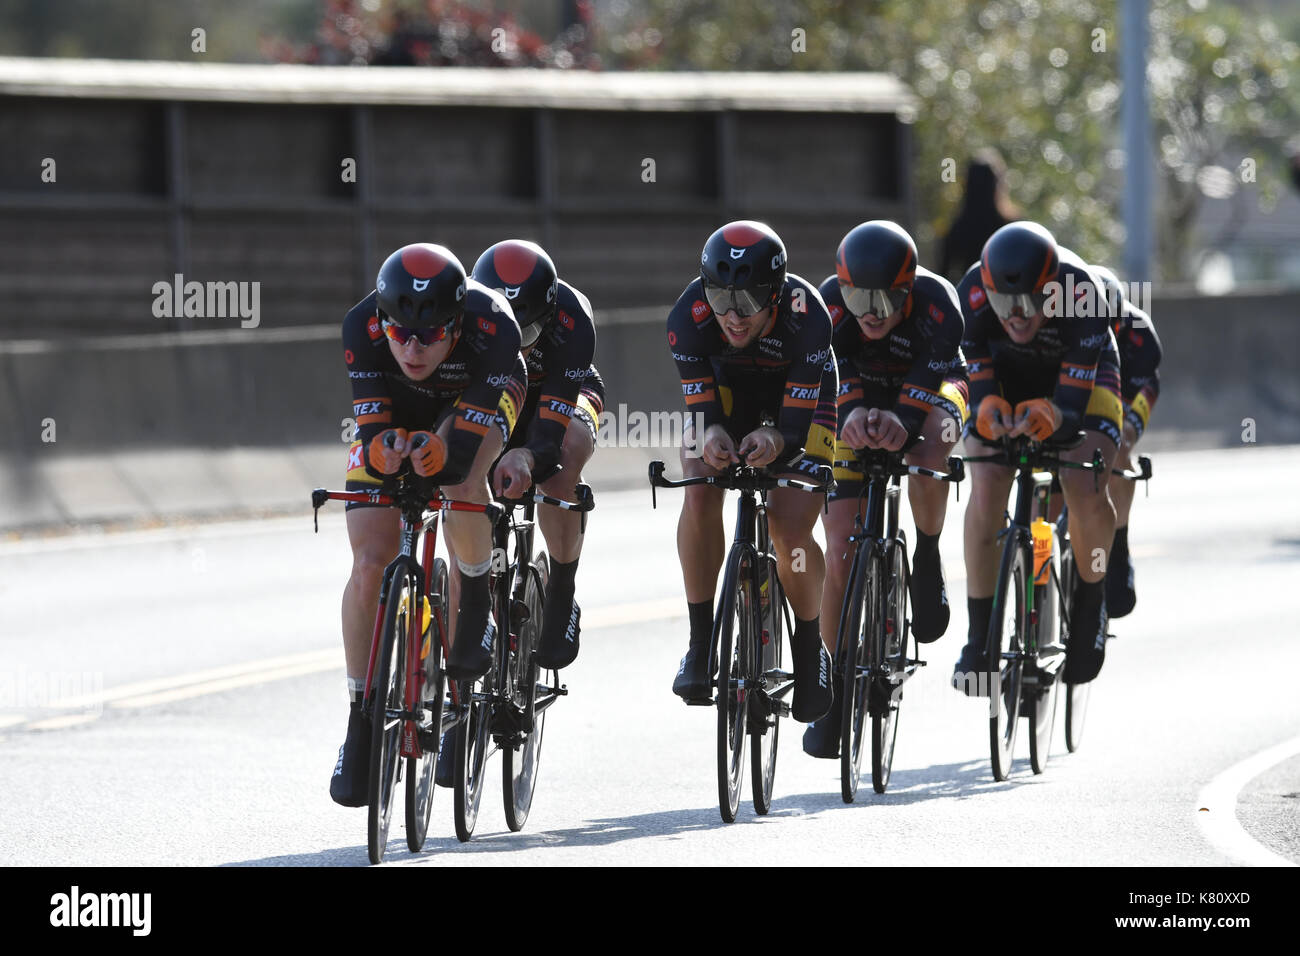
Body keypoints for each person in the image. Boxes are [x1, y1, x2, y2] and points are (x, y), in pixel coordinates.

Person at [330, 242, 525, 807]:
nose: (413, 348)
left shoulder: (494, 329)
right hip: (398, 407)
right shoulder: (361, 327)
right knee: (369, 566)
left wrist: (441, 452)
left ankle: (477, 592)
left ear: (457, 325)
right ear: (383, 321)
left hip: (475, 401)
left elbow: (460, 454)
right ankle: (360, 717)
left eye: (431, 334)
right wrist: (384, 452)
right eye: (400, 333)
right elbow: (370, 434)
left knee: (462, 484)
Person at [803, 220, 968, 758]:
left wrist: (902, 416)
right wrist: (850, 410)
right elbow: (831, 367)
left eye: (885, 298)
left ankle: (925, 551)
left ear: (909, 286)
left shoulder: (939, 303)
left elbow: (934, 370)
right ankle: (831, 687)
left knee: (928, 447)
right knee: (841, 548)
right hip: (858, 395)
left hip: (932, 390)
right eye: (857, 296)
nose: (869, 311)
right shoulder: (827, 305)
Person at [666, 220, 837, 724]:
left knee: (789, 526)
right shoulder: (688, 316)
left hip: (801, 404)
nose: (733, 316)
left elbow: (794, 427)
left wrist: (779, 439)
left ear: (777, 295)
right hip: (730, 396)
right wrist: (712, 433)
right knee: (698, 485)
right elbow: (700, 409)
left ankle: (809, 646)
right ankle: (700, 644)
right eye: (720, 298)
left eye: (749, 300)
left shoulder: (809, 318)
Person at [955, 222, 1122, 693]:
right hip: (1009, 376)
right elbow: (980, 385)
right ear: (987, 291)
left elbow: (1071, 410)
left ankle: (1090, 608)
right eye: (1004, 303)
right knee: (986, 479)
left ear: (1053, 289)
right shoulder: (970, 293)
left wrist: (1056, 415)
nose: (1017, 314)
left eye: (1030, 301)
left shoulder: (1082, 293)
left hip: (1080, 381)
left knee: (1085, 479)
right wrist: (989, 409)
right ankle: (977, 639)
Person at [472, 239, 603, 668]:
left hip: (563, 392)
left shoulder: (573, 318)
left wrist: (528, 457)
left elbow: (548, 436)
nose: (515, 343)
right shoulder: (469, 308)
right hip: (499, 390)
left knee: (561, 460)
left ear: (546, 318)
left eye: (524, 332)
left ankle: (562, 591)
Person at [1091, 264, 1162, 618]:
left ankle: (1118, 544)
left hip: (1129, 390)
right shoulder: (1059, 322)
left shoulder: (1138, 334)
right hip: (1079, 387)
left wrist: (1126, 433)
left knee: (1117, 445)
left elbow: (1143, 390)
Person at [938, 150, 1021, 283]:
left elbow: (943, 275)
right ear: (997, 184)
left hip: (971, 300)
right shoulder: (1012, 227)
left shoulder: (958, 228)